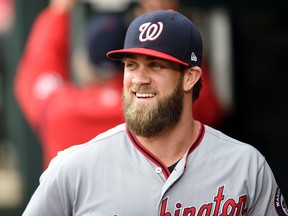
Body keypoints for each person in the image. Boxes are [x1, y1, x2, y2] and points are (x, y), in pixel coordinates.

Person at [22, 10, 287, 215]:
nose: (139, 78)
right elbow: (211, 105)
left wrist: (57, 13)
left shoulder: (246, 166)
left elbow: (33, 78)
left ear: (190, 78)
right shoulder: (72, 168)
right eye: (131, 65)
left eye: (156, 65)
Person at [13, 0, 126, 169]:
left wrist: (59, 11)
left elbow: (38, 69)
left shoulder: (62, 109)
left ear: (84, 62)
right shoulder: (152, 106)